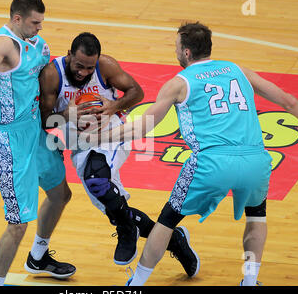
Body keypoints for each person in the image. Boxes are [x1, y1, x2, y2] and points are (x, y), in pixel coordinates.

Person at [86, 21, 298, 286]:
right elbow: (289, 102)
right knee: (256, 216)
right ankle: (250, 280)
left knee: (166, 221)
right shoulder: (238, 70)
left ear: (186, 52)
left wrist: (100, 137)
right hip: (256, 160)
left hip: (211, 164)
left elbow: (143, 127)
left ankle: (137, 283)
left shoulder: (179, 83)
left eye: (177, 47)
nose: (175, 52)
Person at [39, 32, 200, 276]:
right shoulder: (53, 74)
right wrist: (65, 116)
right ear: (69, 54)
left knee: (97, 179)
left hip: (113, 133)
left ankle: (127, 231)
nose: (83, 72)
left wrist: (112, 106)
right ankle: (173, 240)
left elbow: (136, 91)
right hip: (80, 142)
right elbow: (44, 120)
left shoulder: (106, 66)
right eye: (78, 66)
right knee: (114, 205)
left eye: (89, 68)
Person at [0, 0, 75, 286]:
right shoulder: (3, 43)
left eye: (41, 22)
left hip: (35, 129)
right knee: (17, 225)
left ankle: (38, 257)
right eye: (35, 22)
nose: (40, 27)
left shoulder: (37, 43)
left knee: (60, 194)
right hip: (9, 140)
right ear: (17, 19)